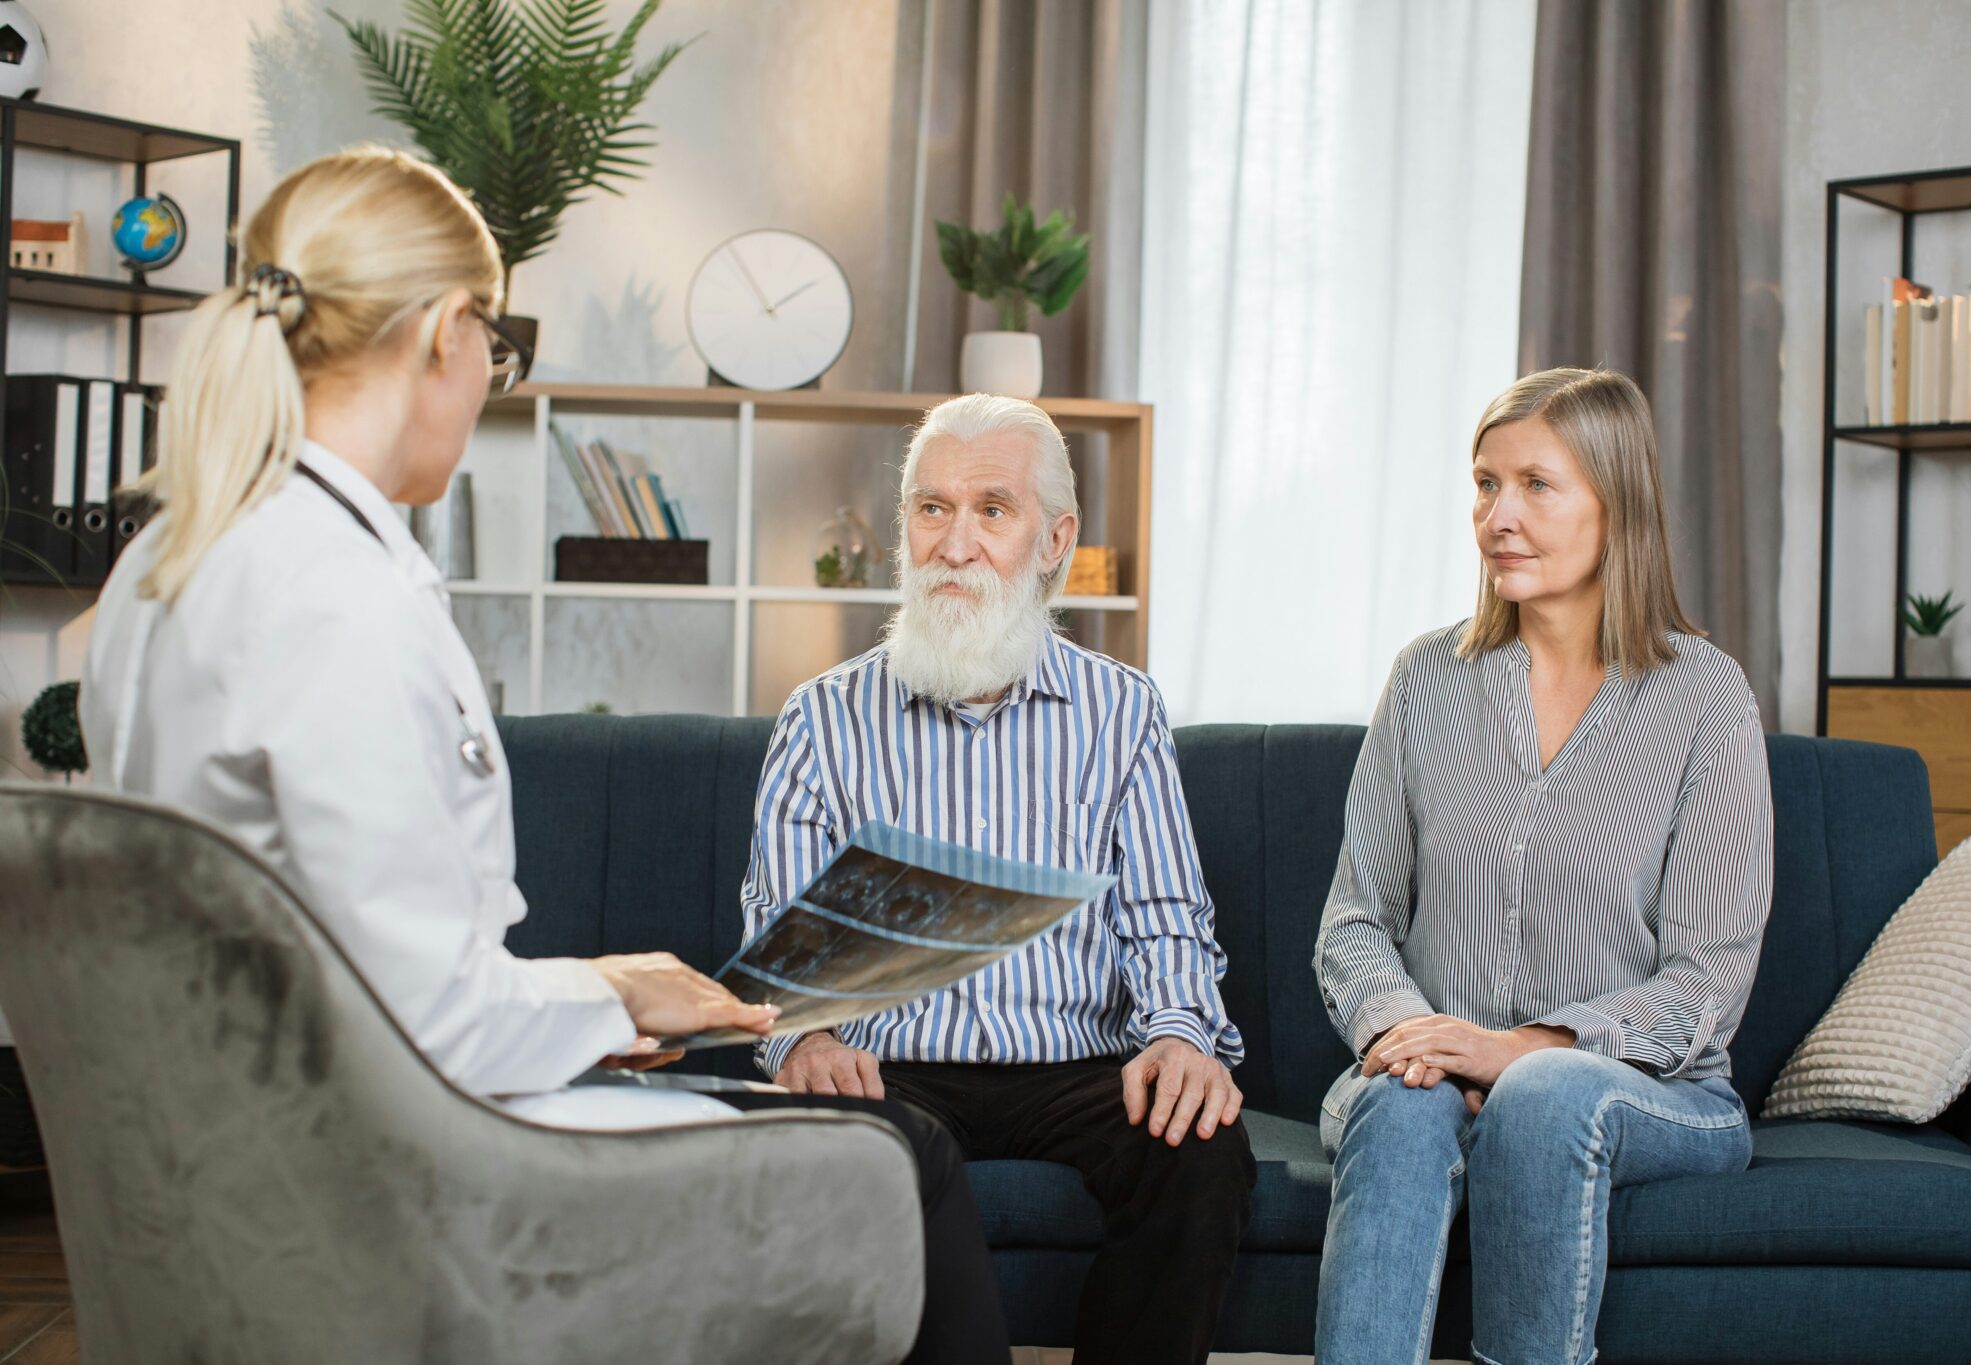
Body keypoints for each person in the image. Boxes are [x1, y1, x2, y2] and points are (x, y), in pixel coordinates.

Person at [79, 146, 1006, 1365]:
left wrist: (603, 992)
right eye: (495, 351)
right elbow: (426, 1022)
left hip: (231, 1167)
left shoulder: (163, 569)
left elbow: (346, 957)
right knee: (908, 1160)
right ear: (445, 333)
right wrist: (610, 992)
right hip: (394, 1186)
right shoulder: (338, 598)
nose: (487, 387)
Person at [741, 393, 1256, 1365]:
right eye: (930, 508)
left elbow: (1164, 915)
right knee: (835, 1149)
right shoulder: (819, 718)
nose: (954, 542)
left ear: (1052, 539)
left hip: (1075, 1062)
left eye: (991, 509)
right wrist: (803, 1034)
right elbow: (783, 931)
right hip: (890, 1060)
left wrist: (1183, 1034)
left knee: (1202, 1149)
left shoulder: (1121, 710)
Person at [1312, 367, 1773, 1365]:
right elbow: (1354, 918)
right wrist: (1409, 1036)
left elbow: (1707, 981)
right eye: (1484, 484)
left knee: (1541, 1094)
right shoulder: (1427, 681)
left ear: (1617, 502)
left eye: (1534, 485)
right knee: (1397, 1107)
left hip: (1659, 1094)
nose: (1498, 516)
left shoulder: (1704, 699)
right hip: (1431, 1069)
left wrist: (1518, 1051)